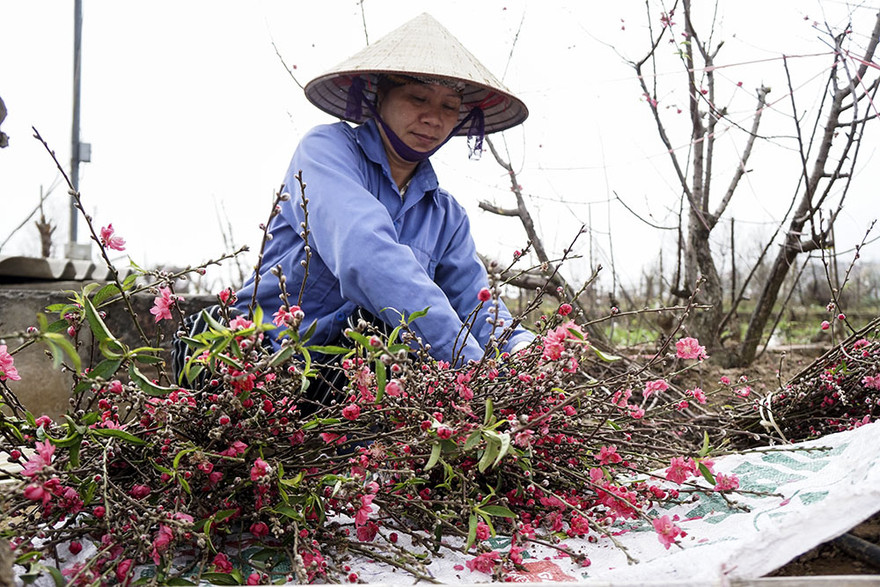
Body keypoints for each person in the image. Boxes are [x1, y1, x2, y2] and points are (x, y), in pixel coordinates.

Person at [230, 13, 534, 403]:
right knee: (379, 318)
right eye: (418, 98)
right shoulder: (326, 152)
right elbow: (367, 256)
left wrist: (526, 353)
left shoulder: (446, 217)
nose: (433, 118)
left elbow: (476, 305)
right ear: (380, 96)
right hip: (266, 362)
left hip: (356, 383)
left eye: (448, 106)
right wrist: (469, 367)